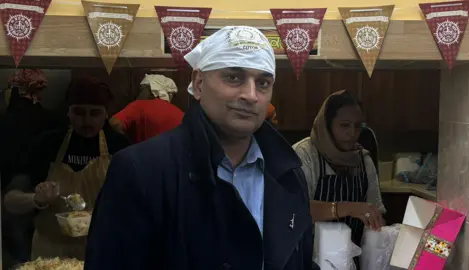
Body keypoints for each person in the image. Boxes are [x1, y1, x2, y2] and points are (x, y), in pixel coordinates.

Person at [84, 26, 312, 270]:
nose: (251, 95)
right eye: (234, 77)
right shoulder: (141, 170)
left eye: (263, 83)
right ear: (199, 83)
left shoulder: (288, 174)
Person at [3, 77, 130, 260]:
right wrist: (35, 199)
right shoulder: (48, 144)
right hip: (50, 253)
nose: (87, 120)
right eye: (79, 112)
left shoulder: (119, 147)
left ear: (106, 114)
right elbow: (9, 202)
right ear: (68, 113)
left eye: (94, 113)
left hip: (102, 249)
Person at [292, 90, 386, 268]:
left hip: (352, 260)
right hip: (307, 259)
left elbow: (375, 211)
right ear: (327, 125)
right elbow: (293, 210)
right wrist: (345, 208)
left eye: (358, 126)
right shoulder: (304, 155)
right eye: (344, 125)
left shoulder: (363, 160)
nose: (352, 133)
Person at [0, 69, 66, 268]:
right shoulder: (52, 118)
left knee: (17, 240)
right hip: (46, 180)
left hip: (12, 182)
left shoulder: (5, 118)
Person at [110, 74, 184, 143]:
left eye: (142, 90)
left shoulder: (139, 105)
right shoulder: (181, 113)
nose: (139, 94)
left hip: (141, 155)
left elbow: (114, 123)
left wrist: (129, 143)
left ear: (152, 91)